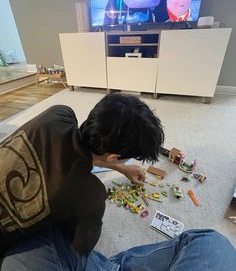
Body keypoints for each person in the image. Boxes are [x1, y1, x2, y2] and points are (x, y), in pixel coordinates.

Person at [0, 93, 236, 270]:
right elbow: (81, 249)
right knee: (213, 242)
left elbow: (74, 153)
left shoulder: (58, 113)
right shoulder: (90, 195)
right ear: (113, 155)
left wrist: (120, 167)